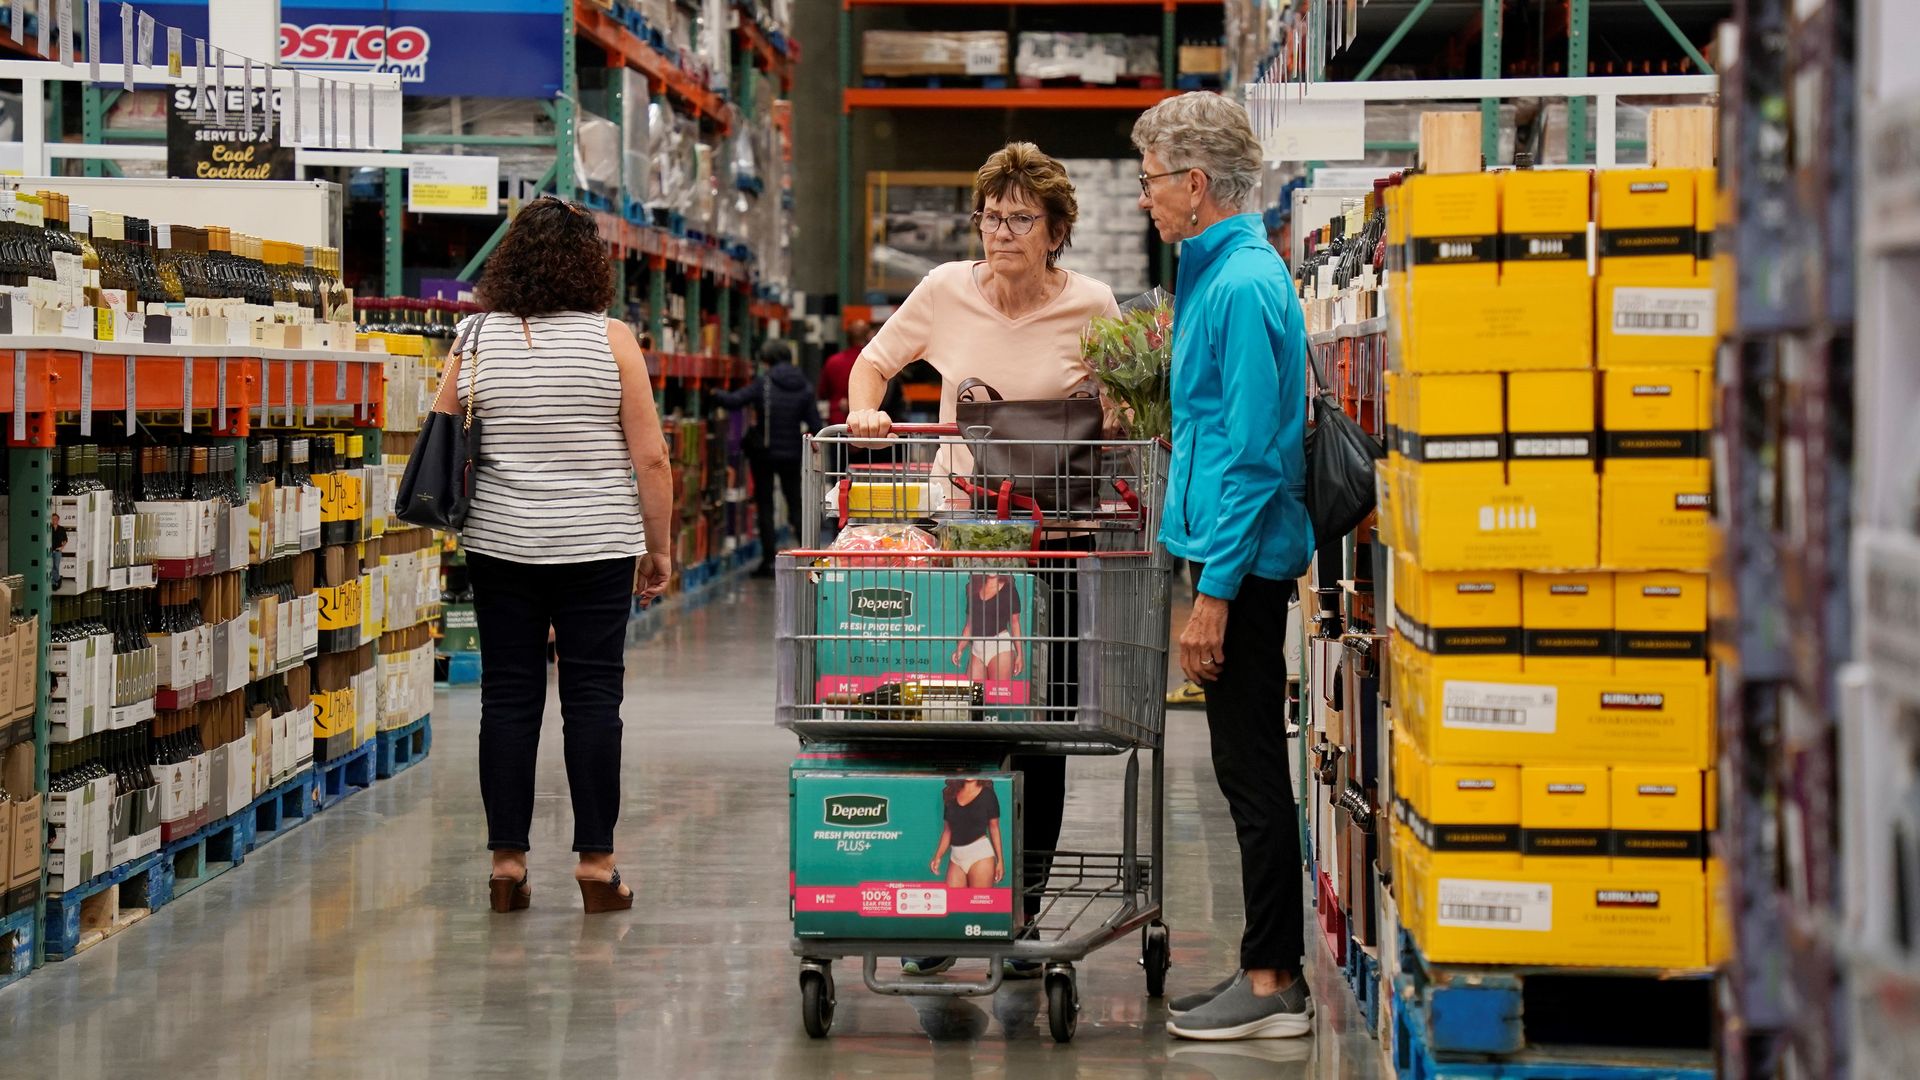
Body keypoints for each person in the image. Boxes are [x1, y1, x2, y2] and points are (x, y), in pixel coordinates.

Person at [849, 142, 1118, 980]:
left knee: (1041, 725)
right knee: (951, 714)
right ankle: (953, 912)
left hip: (1055, 541)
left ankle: (1022, 907)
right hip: (960, 537)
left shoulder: (1094, 305)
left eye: (1021, 217)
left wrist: (1114, 426)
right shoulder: (944, 291)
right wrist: (865, 413)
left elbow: (1122, 407)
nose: (1002, 231)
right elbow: (874, 364)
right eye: (991, 215)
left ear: (1056, 229)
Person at [1134, 92, 1315, 1040]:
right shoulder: (1218, 276)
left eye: (1152, 181)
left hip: (1240, 570)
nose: (1145, 199)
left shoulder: (1242, 284)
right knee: (1239, 767)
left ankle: (1274, 977)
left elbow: (1250, 455)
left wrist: (1212, 593)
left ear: (1195, 186)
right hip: (1224, 560)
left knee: (1249, 773)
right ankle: (1262, 963)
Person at [439, 195, 674, 916]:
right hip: (597, 545)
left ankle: (506, 866)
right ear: (588, 267)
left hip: (501, 542)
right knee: (593, 699)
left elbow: (444, 433)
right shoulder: (613, 340)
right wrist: (658, 547)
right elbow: (653, 458)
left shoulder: (474, 336)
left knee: (508, 700)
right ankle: (597, 867)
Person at [718, 340, 820, 577]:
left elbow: (734, 401)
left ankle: (768, 560)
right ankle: (811, 557)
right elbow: (815, 423)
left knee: (765, 504)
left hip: (763, 454)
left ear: (768, 361)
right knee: (795, 502)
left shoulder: (763, 384)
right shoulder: (804, 386)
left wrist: (713, 393)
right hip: (792, 453)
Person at [930, 778, 1005, 889]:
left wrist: (1000, 861)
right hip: (956, 857)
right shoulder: (950, 795)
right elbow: (947, 830)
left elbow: (994, 828)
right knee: (954, 904)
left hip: (980, 856)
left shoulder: (988, 795)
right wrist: (938, 856)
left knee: (979, 904)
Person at [953, 573, 1025, 683]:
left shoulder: (1009, 590)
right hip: (977, 648)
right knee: (974, 697)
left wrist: (1020, 654)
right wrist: (959, 649)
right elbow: (969, 625)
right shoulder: (973, 590)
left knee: (999, 696)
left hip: (1000, 646)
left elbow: (1015, 623)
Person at [818, 320, 871, 427]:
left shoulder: (833, 361)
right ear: (867, 338)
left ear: (848, 339)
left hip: (837, 421)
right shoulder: (871, 361)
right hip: (866, 421)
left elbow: (822, 392)